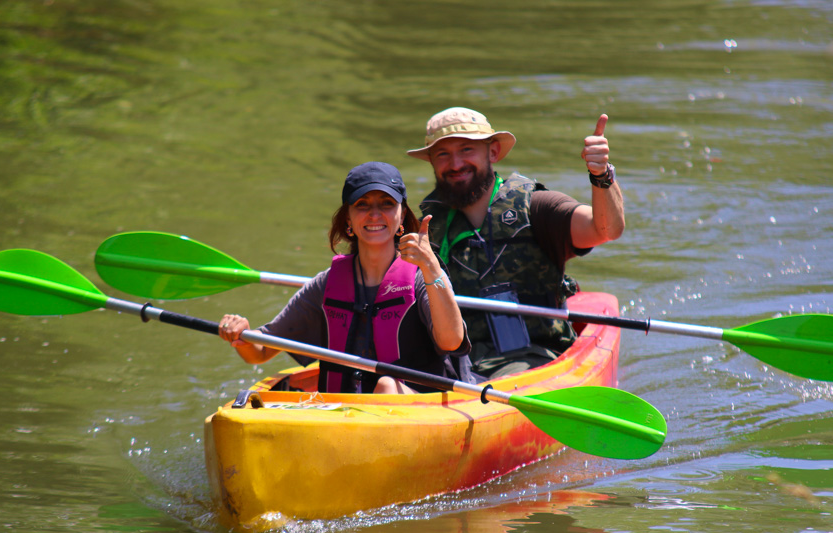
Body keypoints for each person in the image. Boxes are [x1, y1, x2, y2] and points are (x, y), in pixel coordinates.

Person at [407, 107, 624, 379]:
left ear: (493, 152)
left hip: (532, 360)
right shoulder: (425, 229)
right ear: (431, 162)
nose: (455, 164)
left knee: (506, 379)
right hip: (456, 364)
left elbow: (606, 229)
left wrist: (601, 175)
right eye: (442, 154)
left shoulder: (535, 207)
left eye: (466, 150)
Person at [218, 161, 471, 394]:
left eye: (386, 203)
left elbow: (451, 341)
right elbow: (260, 353)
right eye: (362, 204)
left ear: (402, 215)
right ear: (348, 218)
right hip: (348, 413)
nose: (374, 214)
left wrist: (432, 268)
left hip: (420, 408)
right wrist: (242, 335)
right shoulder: (327, 284)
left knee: (386, 385)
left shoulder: (422, 277)